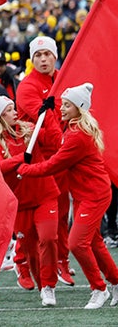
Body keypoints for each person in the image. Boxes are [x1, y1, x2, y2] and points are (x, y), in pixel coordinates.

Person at [18, 83, 118, 309]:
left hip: (94, 195)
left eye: (67, 105)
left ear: (79, 108)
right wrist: (44, 119)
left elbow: (53, 164)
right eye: (62, 104)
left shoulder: (77, 136)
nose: (62, 108)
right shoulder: (73, 129)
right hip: (87, 194)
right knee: (94, 243)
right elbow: (55, 139)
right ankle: (115, 281)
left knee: (76, 243)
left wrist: (23, 170)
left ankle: (99, 288)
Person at [0, 94, 60, 307]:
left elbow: (55, 140)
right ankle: (41, 282)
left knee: (49, 238)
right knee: (31, 251)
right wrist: (20, 158)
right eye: (8, 110)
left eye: (12, 108)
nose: (14, 112)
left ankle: (48, 287)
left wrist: (49, 115)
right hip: (20, 203)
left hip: (44, 194)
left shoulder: (29, 130)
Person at [16, 35, 72, 287]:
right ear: (32, 60)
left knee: (61, 212)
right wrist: (61, 141)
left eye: (47, 54)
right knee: (28, 218)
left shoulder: (63, 79)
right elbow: (46, 118)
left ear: (54, 56)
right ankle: (22, 263)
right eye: (38, 55)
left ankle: (62, 261)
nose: (43, 59)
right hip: (38, 159)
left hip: (60, 158)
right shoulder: (27, 86)